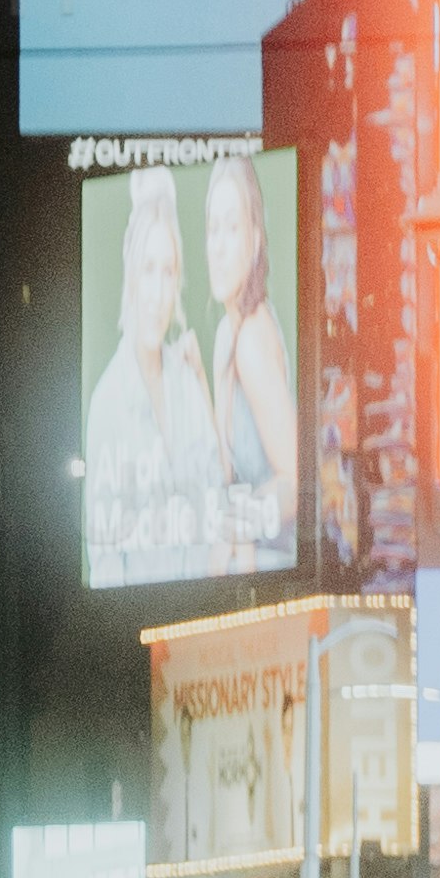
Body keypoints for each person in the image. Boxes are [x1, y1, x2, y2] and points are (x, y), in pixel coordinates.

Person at [79, 162, 225, 583]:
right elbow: (103, 562)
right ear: (130, 274)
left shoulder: (186, 379)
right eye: (148, 269)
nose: (158, 293)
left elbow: (219, 500)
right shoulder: (107, 402)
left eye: (168, 270)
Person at [200, 146, 299, 564]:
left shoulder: (252, 340)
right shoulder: (228, 332)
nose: (219, 247)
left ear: (256, 239)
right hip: (244, 570)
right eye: (213, 229)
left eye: (233, 228)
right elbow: (224, 476)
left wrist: (238, 526)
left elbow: (296, 481)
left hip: (274, 565)